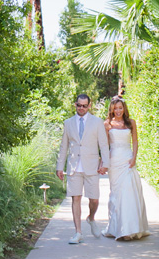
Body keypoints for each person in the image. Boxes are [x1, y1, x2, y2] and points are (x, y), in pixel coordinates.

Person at [57, 94, 110, 244]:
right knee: (76, 198)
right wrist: (59, 167)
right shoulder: (68, 123)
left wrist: (105, 163)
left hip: (92, 166)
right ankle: (78, 232)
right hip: (74, 166)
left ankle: (91, 218)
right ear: (75, 105)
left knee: (94, 199)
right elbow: (64, 147)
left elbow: (104, 145)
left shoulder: (97, 122)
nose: (81, 108)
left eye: (84, 106)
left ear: (89, 106)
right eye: (79, 105)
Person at [103, 95, 150, 241]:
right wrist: (103, 162)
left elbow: (135, 141)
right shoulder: (107, 124)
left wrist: (134, 157)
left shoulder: (131, 123)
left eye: (120, 108)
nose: (118, 110)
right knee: (116, 193)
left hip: (127, 159)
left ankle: (130, 228)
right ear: (111, 109)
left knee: (129, 191)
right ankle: (117, 227)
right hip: (114, 161)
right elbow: (104, 145)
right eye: (115, 108)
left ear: (124, 108)